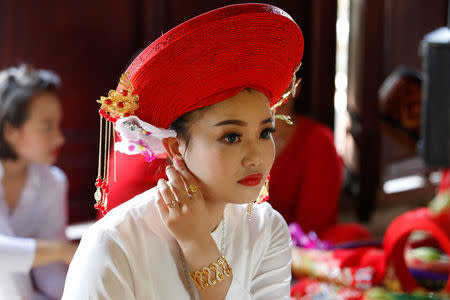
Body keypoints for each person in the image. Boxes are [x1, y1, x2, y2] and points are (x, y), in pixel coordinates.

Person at [62, 3, 303, 299]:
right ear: (175, 147)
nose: (256, 156)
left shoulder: (267, 229)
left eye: (265, 132)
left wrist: (199, 246)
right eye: (231, 137)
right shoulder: (114, 242)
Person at [0, 65, 77, 299]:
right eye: (47, 127)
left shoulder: (53, 182)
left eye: (58, 125)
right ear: (10, 130)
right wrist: (61, 250)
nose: (60, 137)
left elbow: (50, 270)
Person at [270, 85, 372, 244]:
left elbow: (312, 226)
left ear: (296, 86)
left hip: (298, 245)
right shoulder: (234, 140)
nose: (273, 94)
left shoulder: (318, 141)